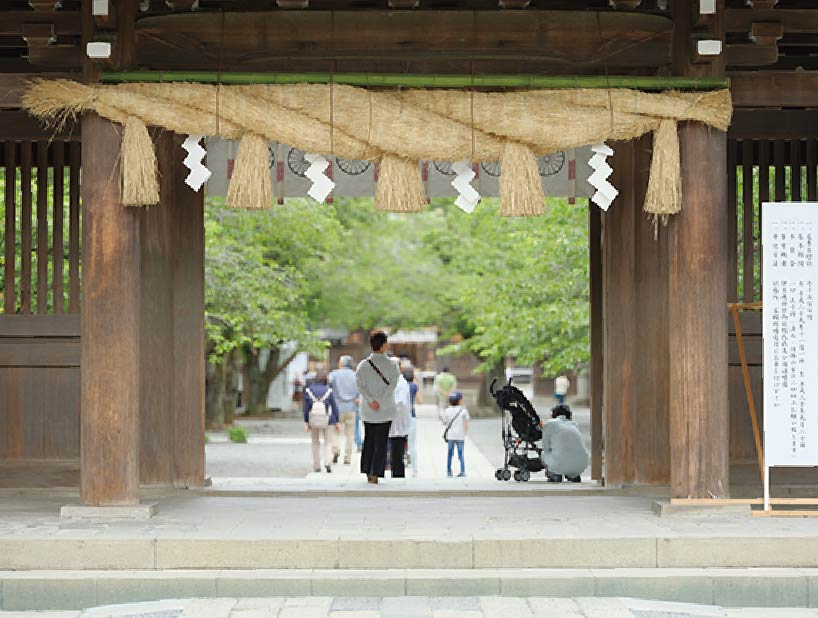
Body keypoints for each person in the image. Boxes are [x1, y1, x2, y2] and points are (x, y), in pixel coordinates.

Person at [356, 331, 399, 484]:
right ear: (384, 345)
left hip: (368, 410)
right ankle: (376, 471)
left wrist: (370, 400)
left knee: (369, 440)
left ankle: (367, 470)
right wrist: (379, 400)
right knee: (381, 442)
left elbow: (360, 386)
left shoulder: (363, 365)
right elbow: (392, 385)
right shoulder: (392, 364)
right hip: (385, 409)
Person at [303, 372, 340, 473]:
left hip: (314, 419)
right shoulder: (329, 391)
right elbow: (334, 407)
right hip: (329, 419)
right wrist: (337, 421)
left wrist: (306, 421)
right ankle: (327, 462)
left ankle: (316, 465)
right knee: (328, 442)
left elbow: (306, 408)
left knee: (315, 442)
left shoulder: (308, 390)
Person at [541, 404, 588, 483]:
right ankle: (573, 475)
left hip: (560, 463)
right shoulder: (574, 425)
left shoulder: (549, 424)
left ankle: (554, 474)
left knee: (544, 454)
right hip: (582, 465)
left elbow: (546, 447)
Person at [328, 355, 359, 465]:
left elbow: (329, 386)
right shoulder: (356, 375)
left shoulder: (334, 374)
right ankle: (347, 457)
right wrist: (357, 397)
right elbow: (360, 389)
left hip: (337, 407)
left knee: (335, 431)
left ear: (341, 364)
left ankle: (336, 450)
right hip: (351, 407)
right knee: (350, 434)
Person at [389, 359, 413, 478]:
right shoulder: (389, 380)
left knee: (397, 454)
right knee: (391, 454)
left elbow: (401, 403)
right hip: (389, 422)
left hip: (398, 423)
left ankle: (398, 476)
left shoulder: (401, 383)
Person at [440, 390, 469, 478]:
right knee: (461, 454)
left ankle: (449, 471)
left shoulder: (447, 410)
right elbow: (466, 423)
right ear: (459, 401)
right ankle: (462, 471)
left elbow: (445, 422)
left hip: (451, 436)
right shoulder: (463, 410)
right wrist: (465, 432)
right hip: (460, 435)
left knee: (449, 453)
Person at [403, 367, 423, 477]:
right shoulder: (414, 387)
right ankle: (414, 470)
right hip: (412, 416)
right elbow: (420, 401)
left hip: (401, 417)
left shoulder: (400, 386)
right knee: (412, 444)